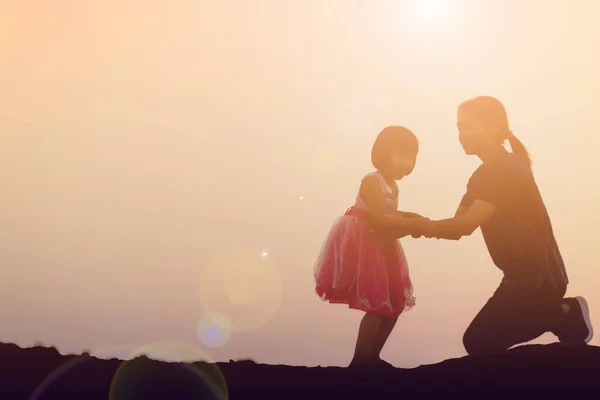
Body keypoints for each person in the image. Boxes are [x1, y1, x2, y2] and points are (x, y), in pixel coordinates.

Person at [418, 95, 593, 356]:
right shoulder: (483, 175)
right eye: (458, 128)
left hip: (536, 279)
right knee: (482, 342)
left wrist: (413, 227)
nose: (461, 135)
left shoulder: (504, 169)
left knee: (478, 342)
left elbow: (464, 226)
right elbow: (456, 227)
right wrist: (410, 221)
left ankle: (564, 312)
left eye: (468, 126)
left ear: (493, 127)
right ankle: (562, 316)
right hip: (522, 278)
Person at [313, 126, 426, 368]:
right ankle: (360, 360)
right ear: (384, 152)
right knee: (377, 303)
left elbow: (390, 214)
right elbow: (380, 218)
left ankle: (373, 357)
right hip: (367, 244)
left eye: (412, 157)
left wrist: (411, 217)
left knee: (394, 302)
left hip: (383, 243)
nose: (407, 163)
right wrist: (413, 224)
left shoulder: (392, 185)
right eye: (401, 155)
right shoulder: (372, 181)